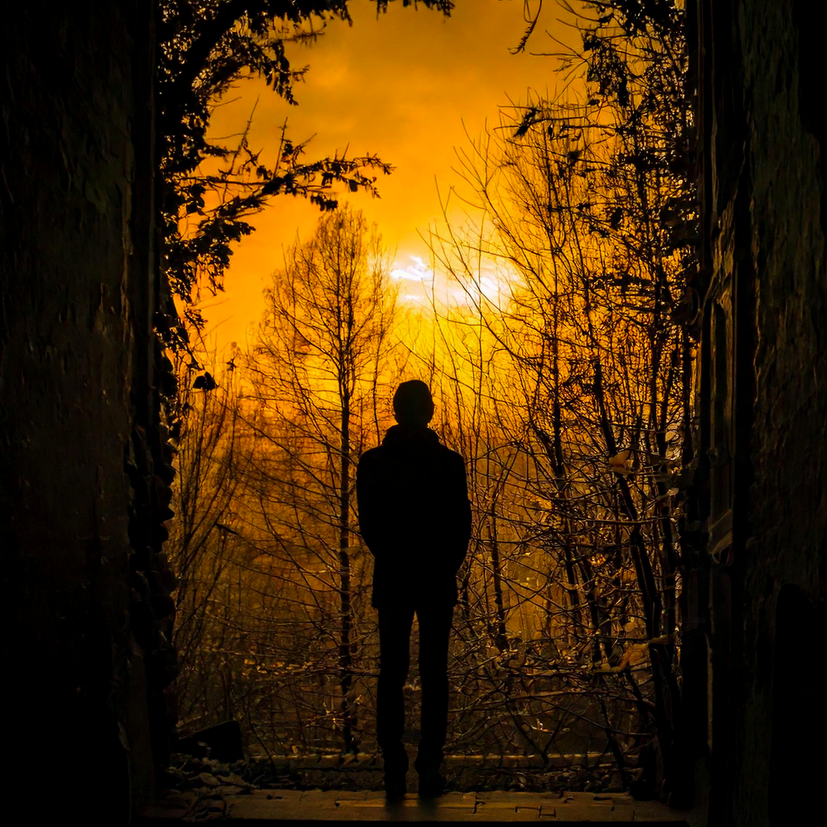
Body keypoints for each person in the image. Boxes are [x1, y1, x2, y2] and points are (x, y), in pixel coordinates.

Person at [356, 380, 472, 800]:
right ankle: (428, 767)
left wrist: (396, 559)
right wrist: (443, 567)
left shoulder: (373, 463)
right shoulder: (448, 463)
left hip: (394, 578)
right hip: (435, 579)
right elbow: (461, 526)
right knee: (433, 674)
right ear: (430, 412)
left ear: (395, 410)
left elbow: (370, 524)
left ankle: (394, 766)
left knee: (392, 672)